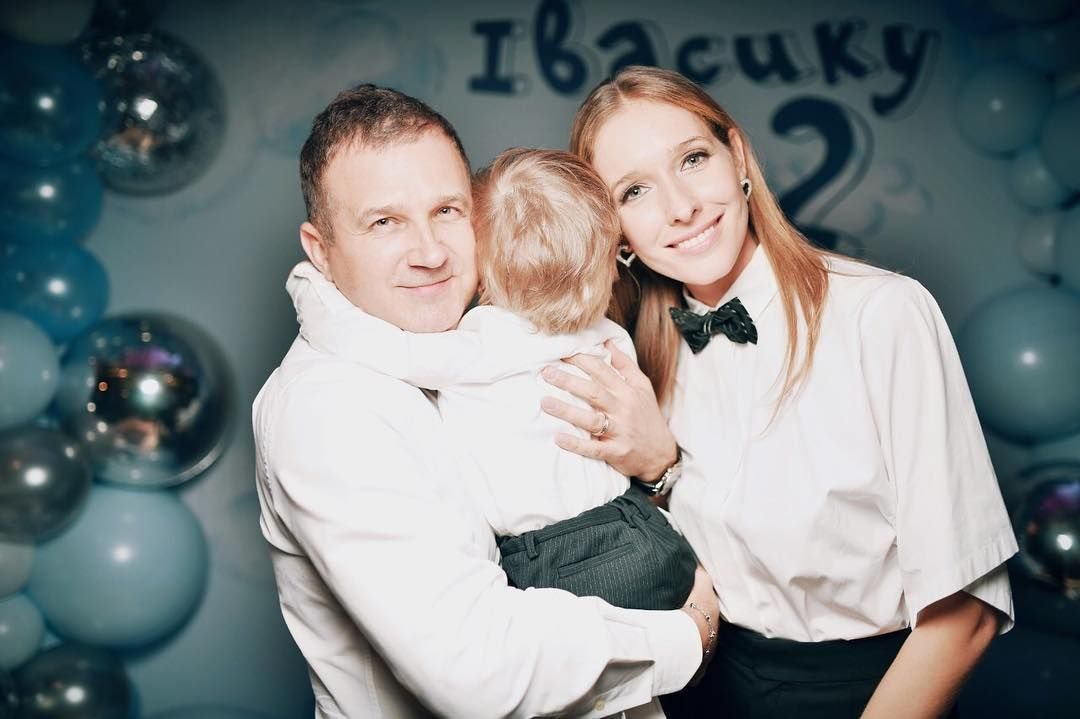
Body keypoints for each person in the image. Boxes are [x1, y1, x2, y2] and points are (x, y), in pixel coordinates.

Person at [536, 65, 1017, 718]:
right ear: (612, 226)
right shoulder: (632, 354)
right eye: (635, 190)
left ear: (737, 156)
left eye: (693, 159)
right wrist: (659, 468)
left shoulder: (883, 315)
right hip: (705, 688)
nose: (680, 207)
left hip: (868, 693)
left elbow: (966, 616)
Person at [252, 84, 717, 719]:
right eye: (384, 222)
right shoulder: (329, 408)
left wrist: (656, 464)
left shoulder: (491, 342)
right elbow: (477, 669)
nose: (430, 254)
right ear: (320, 251)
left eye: (447, 211)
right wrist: (688, 635)